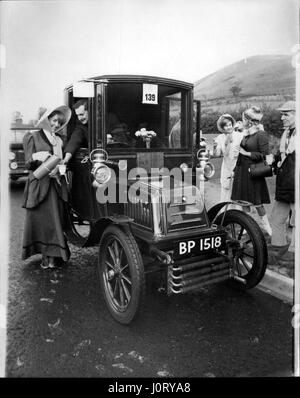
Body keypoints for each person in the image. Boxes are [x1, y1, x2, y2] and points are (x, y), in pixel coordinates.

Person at [22, 105, 72, 268]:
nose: (57, 124)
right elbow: (28, 163)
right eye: (54, 120)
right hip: (39, 184)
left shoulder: (59, 140)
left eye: (59, 122)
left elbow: (63, 161)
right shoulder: (32, 137)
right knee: (41, 222)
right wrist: (38, 156)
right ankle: (45, 255)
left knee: (54, 221)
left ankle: (54, 255)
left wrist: (61, 170)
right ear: (46, 120)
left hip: (56, 184)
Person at [231, 106, 272, 236]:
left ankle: (267, 228)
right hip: (241, 170)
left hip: (254, 171)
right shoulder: (246, 134)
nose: (242, 120)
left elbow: (264, 155)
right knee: (244, 201)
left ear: (248, 120)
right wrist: (234, 169)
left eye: (243, 118)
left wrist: (247, 153)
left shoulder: (261, 134)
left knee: (258, 203)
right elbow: (238, 153)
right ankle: (247, 226)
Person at [269, 100, 296, 264]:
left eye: (286, 114)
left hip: (295, 185)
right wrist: (276, 160)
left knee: (295, 222)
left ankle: (293, 253)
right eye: (282, 114)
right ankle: (279, 251)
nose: (282, 118)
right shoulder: (288, 133)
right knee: (277, 218)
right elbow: (285, 156)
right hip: (285, 184)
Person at [213, 114, 244, 202]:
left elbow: (245, 150)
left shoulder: (240, 136)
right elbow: (217, 154)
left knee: (237, 191)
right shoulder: (220, 138)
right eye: (226, 126)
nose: (229, 127)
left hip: (238, 166)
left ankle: (237, 213)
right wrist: (215, 147)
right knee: (225, 189)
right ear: (222, 127)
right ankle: (225, 213)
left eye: (230, 124)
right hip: (226, 166)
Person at [62, 99, 88, 164]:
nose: (79, 118)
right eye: (78, 115)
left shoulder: (110, 118)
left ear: (90, 111)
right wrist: (66, 159)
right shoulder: (81, 126)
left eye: (81, 114)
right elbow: (74, 141)